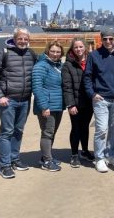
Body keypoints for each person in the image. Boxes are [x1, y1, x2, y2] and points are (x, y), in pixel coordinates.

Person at [0, 27, 36, 179]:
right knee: (7, 132)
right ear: (14, 39)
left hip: (25, 99)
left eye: (25, 39)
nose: (22, 41)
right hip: (8, 101)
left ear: (28, 40)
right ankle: (5, 165)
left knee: (18, 131)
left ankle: (15, 159)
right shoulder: (4, 53)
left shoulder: (31, 54)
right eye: (20, 38)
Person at [84, 28, 114, 173]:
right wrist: (92, 94)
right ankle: (99, 158)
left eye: (111, 39)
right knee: (101, 129)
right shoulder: (94, 55)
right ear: (101, 40)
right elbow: (88, 76)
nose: (108, 41)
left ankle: (110, 153)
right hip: (100, 98)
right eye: (105, 39)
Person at [32, 40, 65, 171]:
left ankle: (46, 156)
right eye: (52, 51)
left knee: (52, 132)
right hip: (47, 106)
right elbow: (37, 88)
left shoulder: (58, 65)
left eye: (58, 52)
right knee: (47, 132)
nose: (55, 54)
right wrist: (44, 106)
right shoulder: (41, 66)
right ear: (47, 51)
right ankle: (47, 161)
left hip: (57, 105)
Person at [62, 38, 94, 168]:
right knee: (75, 128)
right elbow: (66, 86)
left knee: (85, 127)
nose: (78, 49)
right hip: (75, 102)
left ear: (85, 47)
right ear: (72, 49)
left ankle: (85, 151)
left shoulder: (91, 61)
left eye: (81, 47)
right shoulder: (68, 65)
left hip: (89, 101)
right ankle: (74, 154)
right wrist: (70, 105)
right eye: (76, 47)